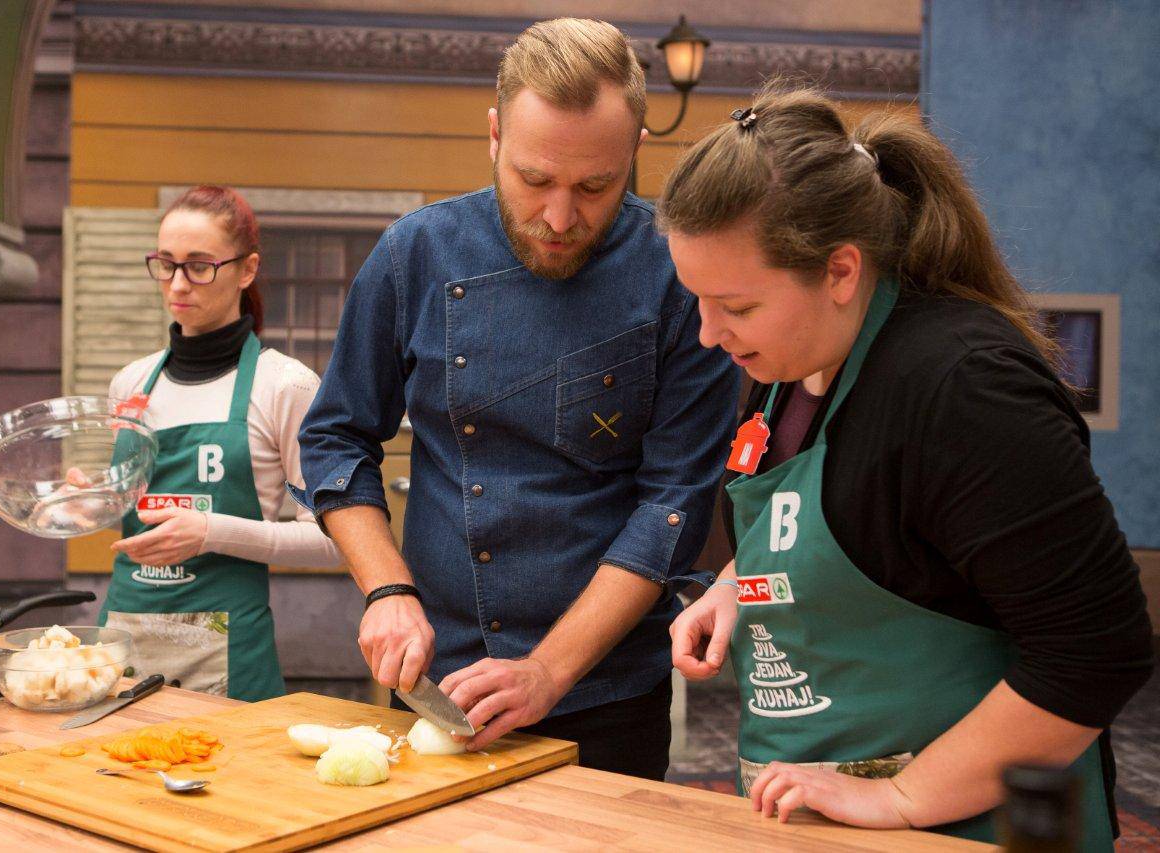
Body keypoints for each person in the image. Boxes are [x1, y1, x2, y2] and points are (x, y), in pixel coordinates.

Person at [661, 82, 1153, 847]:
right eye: (697, 299)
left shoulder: (963, 389)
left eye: (738, 305)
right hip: (814, 814)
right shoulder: (787, 365)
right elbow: (863, 533)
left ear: (841, 271)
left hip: (973, 825)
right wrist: (738, 587)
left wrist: (904, 797)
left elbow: (1097, 650)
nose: (706, 333)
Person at [296, 18, 737, 779]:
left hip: (608, 698)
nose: (561, 218)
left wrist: (549, 670)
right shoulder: (416, 253)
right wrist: (387, 588)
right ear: (495, 135)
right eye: (535, 181)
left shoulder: (677, 275)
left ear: (633, 150)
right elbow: (336, 438)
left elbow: (675, 500)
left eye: (596, 188)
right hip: (439, 682)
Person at [100, 185, 341, 701]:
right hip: (123, 639)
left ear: (247, 269)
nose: (177, 284)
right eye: (166, 264)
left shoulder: (284, 386)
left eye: (199, 266)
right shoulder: (130, 384)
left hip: (227, 651)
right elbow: (132, 505)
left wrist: (210, 531)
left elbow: (331, 538)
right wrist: (90, 500)